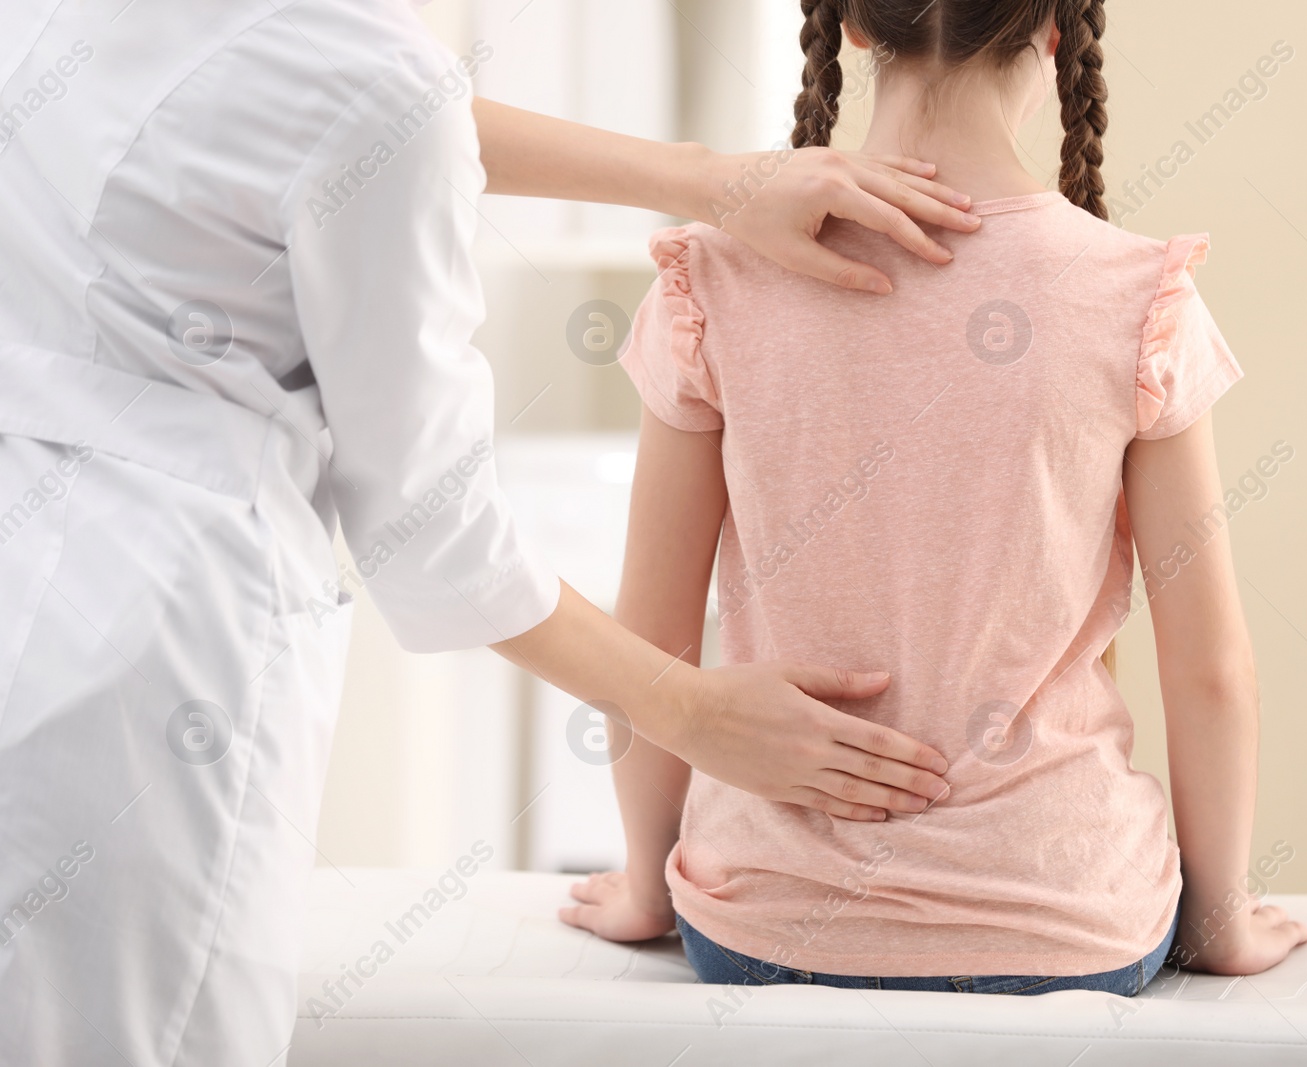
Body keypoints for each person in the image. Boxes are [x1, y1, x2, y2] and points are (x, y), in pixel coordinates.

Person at [0, 1, 979, 1062]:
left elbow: (316, 109)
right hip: (150, 675)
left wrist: (702, 178)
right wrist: (685, 707)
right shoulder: (372, 77)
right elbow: (433, 528)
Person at [560, 0, 1307, 993]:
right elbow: (1208, 665)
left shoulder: (713, 277)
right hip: (1069, 926)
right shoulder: (1139, 296)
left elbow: (653, 637)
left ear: (852, 29)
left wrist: (649, 886)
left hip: (759, 926)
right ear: (1054, 30)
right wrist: (1217, 917)